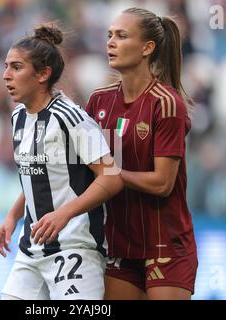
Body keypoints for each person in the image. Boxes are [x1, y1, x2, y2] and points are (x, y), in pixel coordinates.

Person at [0, 23, 123, 300]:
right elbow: (36, 175)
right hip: (30, 251)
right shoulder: (18, 118)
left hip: (74, 248)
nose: (6, 76)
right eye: (6, 67)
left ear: (43, 74)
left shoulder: (71, 117)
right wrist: (12, 217)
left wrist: (65, 214)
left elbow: (112, 177)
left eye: (16, 67)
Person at [85, 8, 198, 300]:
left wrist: (111, 174)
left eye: (122, 36)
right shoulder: (98, 100)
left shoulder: (167, 103)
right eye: (109, 35)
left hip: (166, 246)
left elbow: (163, 184)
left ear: (148, 48)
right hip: (119, 245)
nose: (111, 42)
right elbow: (81, 167)